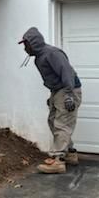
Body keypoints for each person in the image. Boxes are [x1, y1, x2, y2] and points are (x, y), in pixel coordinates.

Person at [19, 27, 82, 174]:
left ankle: (58, 161)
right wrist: (53, 96)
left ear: (33, 43)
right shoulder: (40, 57)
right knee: (53, 120)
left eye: (26, 45)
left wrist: (68, 96)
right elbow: (52, 78)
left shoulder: (52, 53)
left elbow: (66, 73)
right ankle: (69, 153)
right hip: (58, 91)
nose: (24, 48)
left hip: (69, 90)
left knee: (62, 124)